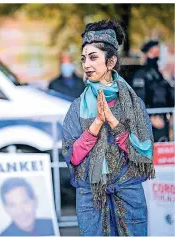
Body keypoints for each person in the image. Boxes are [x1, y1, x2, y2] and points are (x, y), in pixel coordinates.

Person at [62, 20, 155, 236]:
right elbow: (72, 156)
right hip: (90, 198)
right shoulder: (77, 107)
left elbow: (143, 153)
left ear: (111, 61)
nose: (86, 65)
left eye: (94, 57)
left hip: (128, 195)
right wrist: (96, 124)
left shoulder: (133, 105)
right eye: (84, 58)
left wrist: (113, 122)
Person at [131, 40, 174, 142]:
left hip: (163, 122)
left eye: (157, 54)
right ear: (145, 55)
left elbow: (168, 95)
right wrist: (149, 119)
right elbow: (137, 101)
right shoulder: (140, 75)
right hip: (148, 124)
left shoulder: (160, 75)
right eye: (153, 53)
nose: (156, 57)